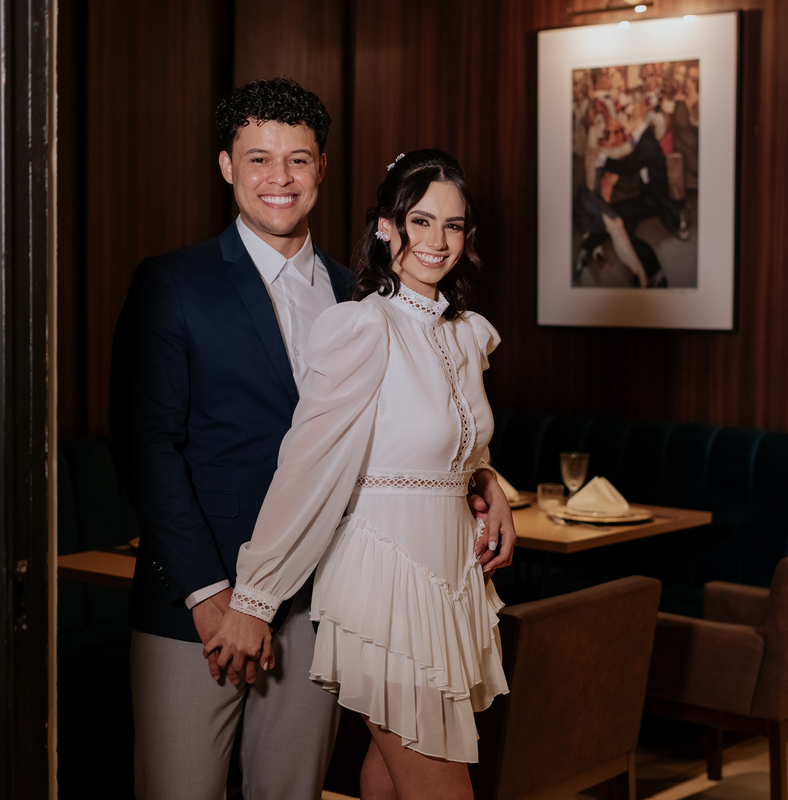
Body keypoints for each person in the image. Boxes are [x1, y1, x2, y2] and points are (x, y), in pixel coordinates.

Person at [110, 79, 514, 800]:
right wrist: (216, 597)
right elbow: (147, 453)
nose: (281, 178)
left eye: (298, 159)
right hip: (199, 601)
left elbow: (398, 431)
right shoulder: (173, 284)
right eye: (259, 158)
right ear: (227, 166)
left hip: (324, 599)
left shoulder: (361, 293)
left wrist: (482, 481)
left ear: (322, 168)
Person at [206, 149, 515, 800]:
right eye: (420, 221)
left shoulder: (464, 335)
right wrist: (255, 595)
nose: (437, 241)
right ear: (385, 226)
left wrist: (489, 486)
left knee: (391, 778)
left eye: (453, 225)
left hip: (447, 581)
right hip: (386, 586)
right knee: (440, 787)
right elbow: (306, 465)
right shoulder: (364, 327)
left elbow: (452, 447)